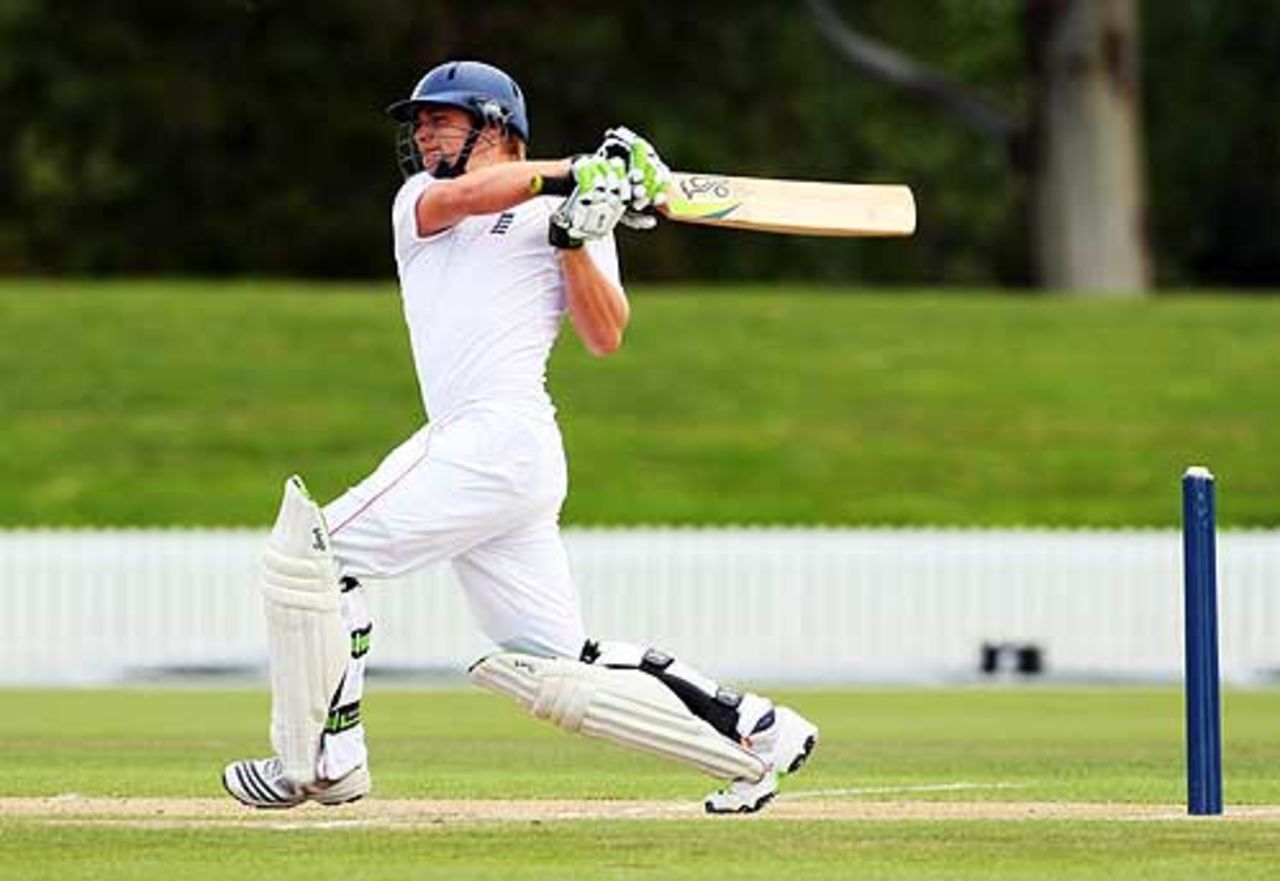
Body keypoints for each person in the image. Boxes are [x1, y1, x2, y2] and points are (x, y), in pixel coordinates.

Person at [221, 60, 817, 815]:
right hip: (493, 450)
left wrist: (574, 237)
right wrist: (574, 173)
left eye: (440, 117)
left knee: (310, 556)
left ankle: (323, 760)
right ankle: (756, 734)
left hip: (498, 435)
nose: (423, 132)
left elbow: (605, 335)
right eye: (419, 122)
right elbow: (472, 196)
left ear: (495, 126)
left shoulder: (569, 214)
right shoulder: (423, 201)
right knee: (558, 663)